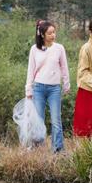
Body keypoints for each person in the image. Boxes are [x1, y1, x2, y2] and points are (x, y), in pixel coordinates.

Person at [25, 20, 70, 152]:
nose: (53, 35)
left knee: (56, 120)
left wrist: (66, 84)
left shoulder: (59, 48)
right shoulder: (34, 49)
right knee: (38, 120)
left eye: (54, 32)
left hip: (54, 88)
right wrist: (28, 89)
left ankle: (57, 150)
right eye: (49, 33)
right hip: (38, 88)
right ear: (42, 34)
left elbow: (64, 67)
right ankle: (38, 149)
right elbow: (30, 70)